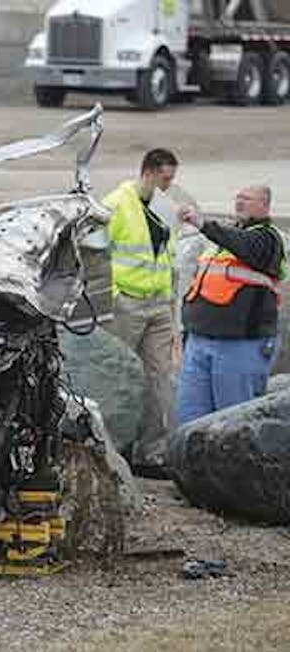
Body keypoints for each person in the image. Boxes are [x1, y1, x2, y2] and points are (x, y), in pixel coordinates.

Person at [101, 148, 180, 478]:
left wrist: (171, 307)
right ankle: (109, 451)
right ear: (148, 172)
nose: (169, 186)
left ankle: (151, 454)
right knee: (115, 377)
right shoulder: (116, 204)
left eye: (172, 180)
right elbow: (92, 253)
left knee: (159, 379)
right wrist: (114, 296)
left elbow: (167, 259)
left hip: (159, 306)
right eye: (165, 178)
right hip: (126, 304)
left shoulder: (165, 209)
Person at [177, 186, 286, 423]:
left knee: (233, 422)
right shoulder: (221, 242)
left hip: (240, 345)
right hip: (199, 340)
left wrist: (204, 224)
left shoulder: (268, 239)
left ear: (264, 205)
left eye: (246, 199)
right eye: (237, 198)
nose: (239, 203)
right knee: (189, 418)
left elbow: (244, 245)